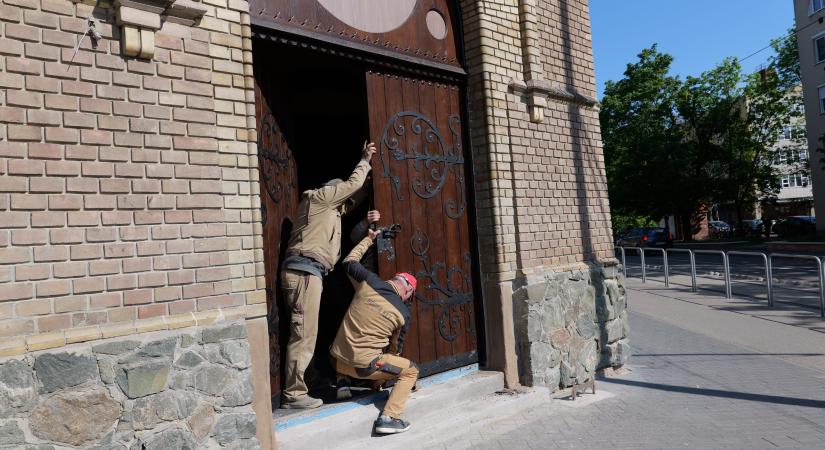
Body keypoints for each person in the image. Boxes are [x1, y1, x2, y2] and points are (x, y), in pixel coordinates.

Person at [280, 141, 376, 409]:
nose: (341, 202)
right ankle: (295, 394)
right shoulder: (320, 198)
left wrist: (369, 187)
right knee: (304, 333)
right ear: (330, 191)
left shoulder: (327, 210)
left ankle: (308, 379)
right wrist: (365, 161)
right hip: (304, 274)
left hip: (308, 274)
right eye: (339, 195)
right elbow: (350, 187)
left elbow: (349, 202)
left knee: (306, 330)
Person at [330, 231, 419, 435]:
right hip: (363, 368)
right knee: (411, 370)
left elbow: (349, 261)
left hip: (337, 360)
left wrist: (369, 238)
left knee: (351, 329)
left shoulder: (370, 281)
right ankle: (389, 418)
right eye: (409, 297)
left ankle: (342, 381)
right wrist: (379, 380)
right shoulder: (403, 313)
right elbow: (394, 352)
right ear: (408, 291)